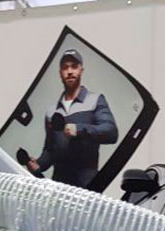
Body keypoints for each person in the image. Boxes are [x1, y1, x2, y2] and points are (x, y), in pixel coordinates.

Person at [28, 49, 118, 189]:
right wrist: (39, 164)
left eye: (74, 66)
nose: (70, 71)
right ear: (60, 73)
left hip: (88, 187)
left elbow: (111, 132)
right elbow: (50, 150)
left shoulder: (95, 100)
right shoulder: (51, 112)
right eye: (65, 67)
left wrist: (79, 129)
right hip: (59, 189)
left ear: (81, 70)